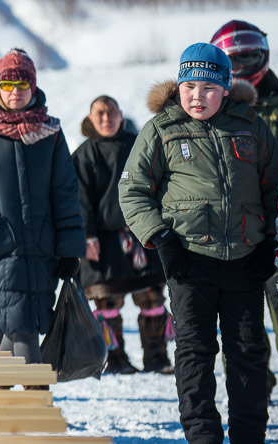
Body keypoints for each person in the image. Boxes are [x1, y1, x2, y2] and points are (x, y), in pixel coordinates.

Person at [119, 43, 278, 444]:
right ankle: (203, 436)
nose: (197, 95)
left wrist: (270, 245)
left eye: (208, 87)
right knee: (195, 352)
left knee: (248, 352)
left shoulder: (251, 126)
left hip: (246, 260)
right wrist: (161, 238)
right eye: (189, 85)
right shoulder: (161, 129)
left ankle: (249, 437)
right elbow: (133, 190)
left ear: (226, 89)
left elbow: (276, 191)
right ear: (178, 87)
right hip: (189, 262)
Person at [0, 48, 84, 366]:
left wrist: (69, 249)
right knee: (19, 329)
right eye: (7, 85)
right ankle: (36, 404)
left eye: (22, 85)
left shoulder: (49, 132)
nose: (15, 92)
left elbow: (65, 193)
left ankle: (2, 402)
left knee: (17, 330)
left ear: (33, 87)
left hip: (41, 250)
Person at [211, 19, 278, 395]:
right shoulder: (210, 110)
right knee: (243, 335)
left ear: (264, 55)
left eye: (250, 57)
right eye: (233, 61)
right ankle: (253, 396)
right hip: (234, 235)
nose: (243, 68)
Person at [72, 95, 171, 375]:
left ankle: (157, 357)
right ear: (90, 119)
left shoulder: (138, 145)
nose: (106, 118)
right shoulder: (83, 154)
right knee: (107, 303)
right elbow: (79, 199)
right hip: (101, 241)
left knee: (152, 299)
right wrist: (87, 236)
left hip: (141, 235)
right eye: (100, 114)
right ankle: (115, 359)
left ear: (121, 114)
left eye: (111, 112)